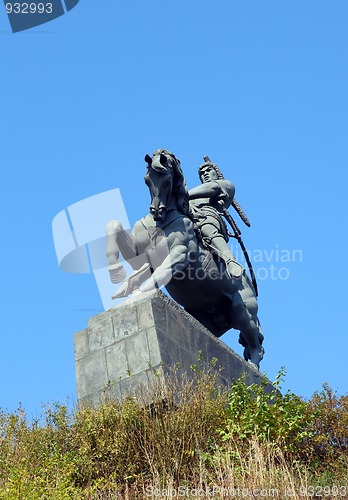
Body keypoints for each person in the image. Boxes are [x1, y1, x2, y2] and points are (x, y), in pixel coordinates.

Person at [188, 160, 243, 279]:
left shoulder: (226, 184)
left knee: (207, 226)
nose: (205, 174)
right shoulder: (196, 193)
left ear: (216, 173)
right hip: (190, 217)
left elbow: (213, 188)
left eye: (208, 171)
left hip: (208, 217)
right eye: (202, 173)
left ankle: (231, 261)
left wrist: (182, 194)